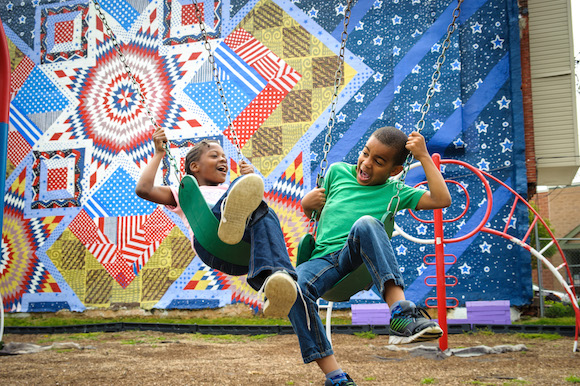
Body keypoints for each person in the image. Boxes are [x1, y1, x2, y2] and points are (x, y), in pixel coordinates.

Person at [289, 126, 452, 386]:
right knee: (292, 288)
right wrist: (307, 205)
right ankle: (335, 376)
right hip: (322, 260)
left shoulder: (395, 191)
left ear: (394, 170)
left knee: (367, 222)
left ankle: (400, 313)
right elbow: (320, 213)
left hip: (356, 256)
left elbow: (441, 199)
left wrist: (423, 156)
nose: (366, 163)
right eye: (365, 153)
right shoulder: (337, 172)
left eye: (379, 161)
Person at [136, 127, 298, 317]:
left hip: (243, 255)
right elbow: (144, 189)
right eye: (214, 156)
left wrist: (250, 181)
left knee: (264, 211)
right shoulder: (186, 192)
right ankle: (227, 223)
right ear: (195, 167)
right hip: (211, 241)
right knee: (242, 192)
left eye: (224, 157)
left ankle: (276, 283)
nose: (223, 160)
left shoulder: (232, 190)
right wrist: (158, 153)